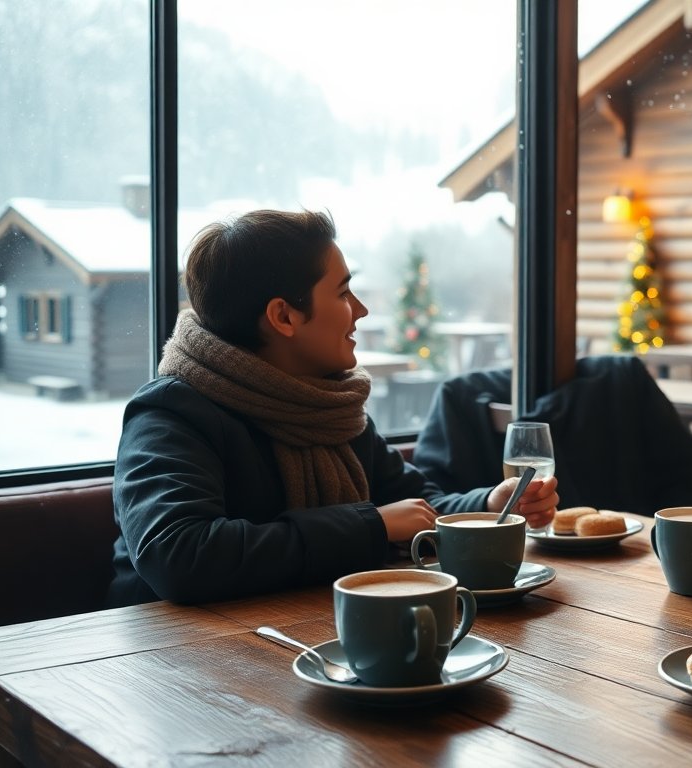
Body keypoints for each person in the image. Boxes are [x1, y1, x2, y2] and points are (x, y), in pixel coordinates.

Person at [107, 209, 557, 606]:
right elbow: (179, 556)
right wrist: (370, 526)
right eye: (343, 293)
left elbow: (415, 506)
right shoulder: (171, 413)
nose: (359, 310)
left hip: (305, 633)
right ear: (284, 316)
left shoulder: (330, 404)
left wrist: (487, 505)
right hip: (169, 664)